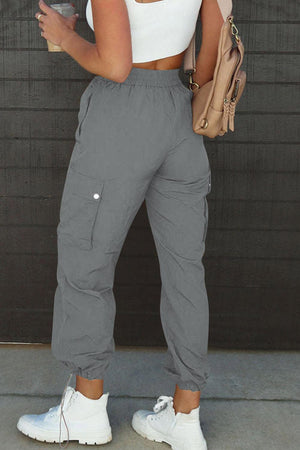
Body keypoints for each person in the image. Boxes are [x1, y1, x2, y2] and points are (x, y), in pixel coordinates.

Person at [17, 0, 226, 448]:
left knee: (86, 258)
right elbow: (210, 50)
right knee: (186, 271)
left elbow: (114, 64)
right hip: (182, 113)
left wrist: (65, 35)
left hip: (121, 113)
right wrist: (181, 96)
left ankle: (87, 410)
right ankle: (185, 418)